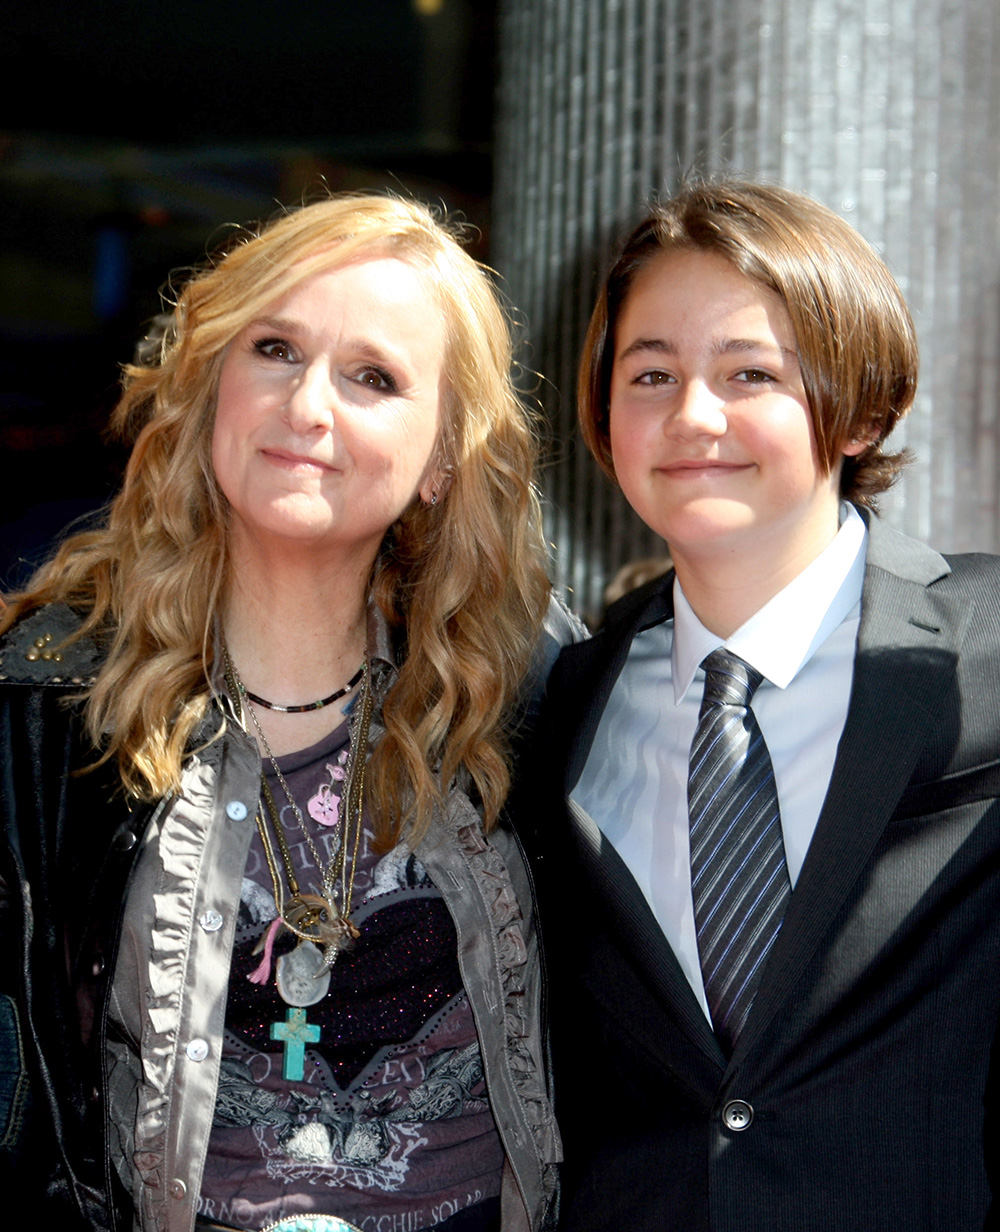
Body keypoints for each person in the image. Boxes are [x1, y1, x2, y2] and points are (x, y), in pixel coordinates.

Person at [0, 194, 570, 1232]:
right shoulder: (42, 704)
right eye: (275, 348)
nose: (309, 406)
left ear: (444, 457)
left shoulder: (529, 689)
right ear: (213, 381)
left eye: (373, 377)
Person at [524, 179, 1000, 1230]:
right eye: (650, 373)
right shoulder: (557, 710)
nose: (693, 415)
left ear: (864, 407)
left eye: (749, 372)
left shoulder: (984, 650)